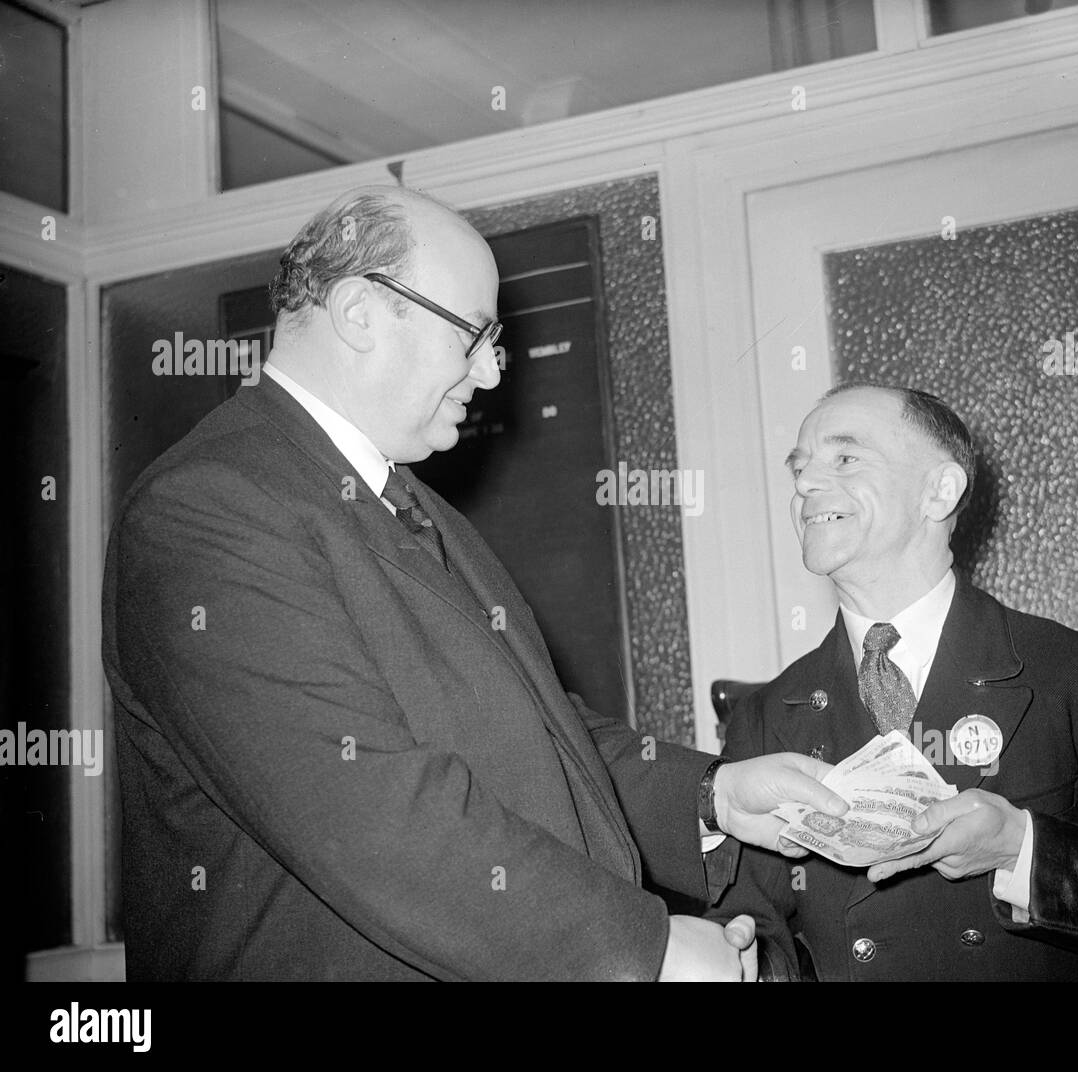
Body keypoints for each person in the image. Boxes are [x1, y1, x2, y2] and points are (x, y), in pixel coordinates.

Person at [102, 185, 846, 982]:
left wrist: (713, 796)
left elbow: (544, 734)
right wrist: (646, 951)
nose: (491, 374)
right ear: (360, 313)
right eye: (474, 336)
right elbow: (367, 810)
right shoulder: (209, 508)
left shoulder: (416, 506)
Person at [707, 383, 1078, 980]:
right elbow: (758, 933)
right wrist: (741, 959)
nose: (804, 484)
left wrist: (1024, 852)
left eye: (845, 458)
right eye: (799, 468)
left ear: (940, 491)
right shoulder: (766, 714)